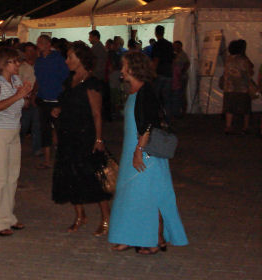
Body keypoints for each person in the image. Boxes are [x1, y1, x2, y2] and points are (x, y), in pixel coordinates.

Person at [108, 52, 188, 254]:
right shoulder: (133, 90)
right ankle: (128, 236)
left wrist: (138, 151)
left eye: (125, 65)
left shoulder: (146, 91)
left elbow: (148, 125)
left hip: (144, 151)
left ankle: (154, 239)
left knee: (148, 196)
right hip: (132, 149)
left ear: (133, 68)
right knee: (129, 195)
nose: (122, 69)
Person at [51, 41, 111, 236]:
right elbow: (66, 102)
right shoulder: (70, 80)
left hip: (85, 135)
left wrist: (99, 139)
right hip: (68, 134)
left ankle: (106, 218)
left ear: (81, 58)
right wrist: (59, 109)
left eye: (70, 57)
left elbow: (97, 113)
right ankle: (80, 215)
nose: (67, 61)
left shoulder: (92, 83)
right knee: (69, 175)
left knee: (93, 177)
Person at [0, 47, 33, 236]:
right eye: (14, 61)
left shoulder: (16, 80)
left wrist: (26, 95)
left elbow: (23, 105)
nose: (18, 64)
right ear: (3, 63)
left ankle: (9, 217)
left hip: (14, 130)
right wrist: (18, 96)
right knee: (0, 178)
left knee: (12, 177)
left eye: (18, 61)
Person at [34, 35, 69, 169]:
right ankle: (47, 160)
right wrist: (34, 94)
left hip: (57, 99)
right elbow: (38, 79)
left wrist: (63, 100)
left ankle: (61, 159)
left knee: (60, 131)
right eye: (39, 43)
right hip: (44, 99)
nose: (40, 45)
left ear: (49, 44)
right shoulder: (39, 61)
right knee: (45, 131)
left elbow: (66, 79)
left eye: (42, 42)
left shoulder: (58, 59)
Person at [223, 39, 254, 134]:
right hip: (242, 88)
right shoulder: (243, 60)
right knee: (245, 109)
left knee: (229, 108)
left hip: (229, 87)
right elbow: (249, 73)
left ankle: (228, 127)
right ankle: (245, 127)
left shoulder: (228, 59)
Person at [18, 42, 41, 158]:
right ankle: (18, 147)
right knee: (23, 126)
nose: (30, 54)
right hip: (25, 99)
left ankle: (37, 148)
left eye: (32, 51)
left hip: (37, 98)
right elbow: (18, 85)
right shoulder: (21, 67)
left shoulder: (40, 65)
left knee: (37, 125)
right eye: (28, 51)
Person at [151, 25, 174, 124]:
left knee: (156, 97)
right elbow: (172, 59)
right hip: (168, 73)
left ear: (156, 33)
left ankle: (156, 119)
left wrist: (153, 72)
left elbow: (156, 59)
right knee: (167, 98)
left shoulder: (156, 45)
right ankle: (168, 119)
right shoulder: (169, 44)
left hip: (159, 74)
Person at [172, 41, 190, 118]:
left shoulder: (183, 55)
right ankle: (178, 110)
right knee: (178, 94)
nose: (175, 47)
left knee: (182, 93)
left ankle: (183, 110)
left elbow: (187, 64)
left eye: (176, 46)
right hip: (177, 76)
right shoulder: (176, 54)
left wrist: (182, 72)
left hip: (181, 77)